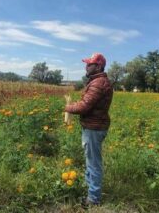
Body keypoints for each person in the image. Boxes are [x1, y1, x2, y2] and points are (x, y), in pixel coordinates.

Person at [64, 53, 113, 208]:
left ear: (98, 66)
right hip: (94, 126)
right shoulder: (97, 81)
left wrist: (68, 107)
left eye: (89, 64)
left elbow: (85, 106)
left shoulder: (98, 83)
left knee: (93, 163)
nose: (86, 66)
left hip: (94, 128)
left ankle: (93, 199)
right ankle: (90, 190)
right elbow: (88, 102)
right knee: (91, 161)